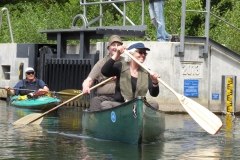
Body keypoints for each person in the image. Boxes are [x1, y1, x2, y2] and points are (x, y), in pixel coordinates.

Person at [101, 42, 161, 109]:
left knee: (154, 104)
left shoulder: (147, 72)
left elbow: (154, 94)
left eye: (145, 53)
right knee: (105, 104)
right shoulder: (120, 66)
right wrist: (117, 55)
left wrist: (155, 82)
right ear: (131, 54)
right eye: (140, 52)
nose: (143, 55)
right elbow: (104, 71)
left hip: (139, 106)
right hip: (121, 105)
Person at [82, 35, 125, 111]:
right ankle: (93, 121)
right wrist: (86, 86)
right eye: (113, 45)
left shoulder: (127, 62)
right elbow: (88, 80)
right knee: (95, 101)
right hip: (105, 97)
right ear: (109, 48)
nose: (116, 47)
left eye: (118, 45)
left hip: (123, 96)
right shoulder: (101, 63)